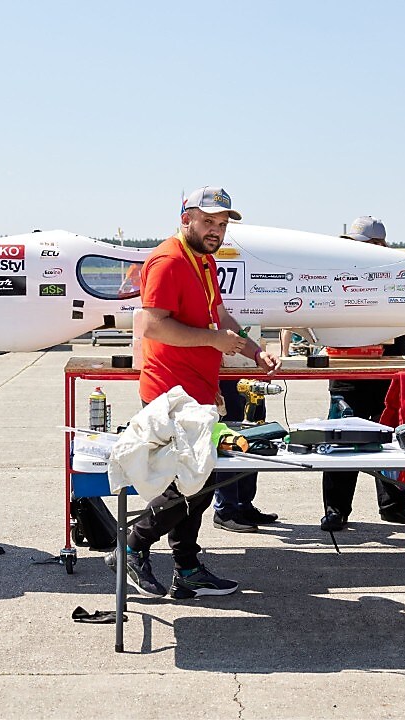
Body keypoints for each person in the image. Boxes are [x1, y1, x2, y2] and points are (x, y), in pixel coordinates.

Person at [108, 186, 280, 599]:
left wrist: (253, 349)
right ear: (185, 219)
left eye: (222, 224)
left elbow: (218, 316)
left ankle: (186, 566)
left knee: (199, 481)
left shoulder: (203, 260)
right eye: (208, 222)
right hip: (170, 395)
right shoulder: (168, 260)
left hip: (196, 393)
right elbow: (151, 325)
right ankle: (132, 545)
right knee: (194, 480)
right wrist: (212, 340)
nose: (216, 231)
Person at [319, 216, 405, 531]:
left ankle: (394, 505)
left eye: (358, 245)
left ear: (377, 247)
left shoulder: (400, 276)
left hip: (386, 374)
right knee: (341, 443)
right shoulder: (338, 276)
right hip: (347, 376)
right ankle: (336, 510)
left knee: (392, 443)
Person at [211, 379, 279, 532]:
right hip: (227, 379)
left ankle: (243, 505)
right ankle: (225, 511)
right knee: (230, 444)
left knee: (253, 441)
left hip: (250, 375)